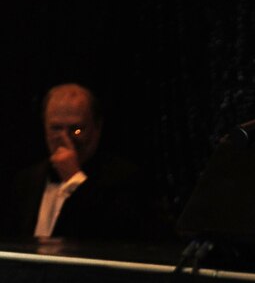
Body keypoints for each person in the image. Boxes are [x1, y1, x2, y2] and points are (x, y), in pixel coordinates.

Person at [3, 81, 167, 242]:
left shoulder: (125, 179)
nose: (65, 138)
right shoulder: (26, 180)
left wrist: (75, 180)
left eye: (76, 129)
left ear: (97, 128)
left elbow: (117, 236)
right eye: (55, 128)